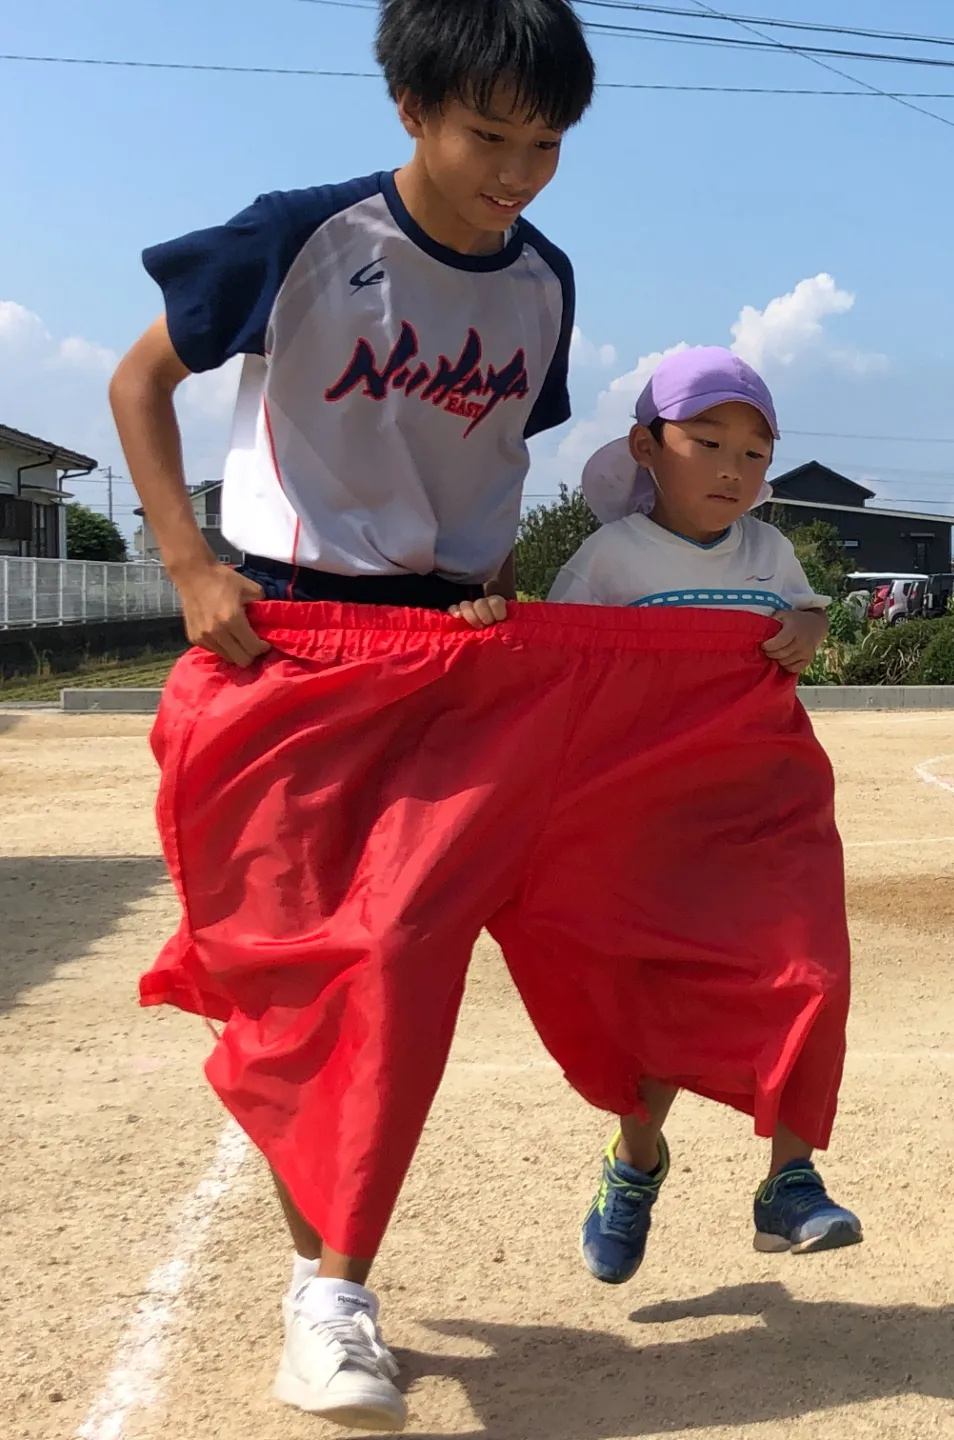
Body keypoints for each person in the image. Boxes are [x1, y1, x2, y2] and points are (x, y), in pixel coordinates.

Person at [109, 1, 594, 1427]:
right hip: (293, 640)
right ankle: (322, 1272)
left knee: (395, 961)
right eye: (486, 135)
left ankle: (335, 1289)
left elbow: (489, 456)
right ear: (408, 108)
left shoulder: (546, 280)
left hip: (451, 651)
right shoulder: (307, 236)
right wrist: (187, 563)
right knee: (291, 975)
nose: (516, 173)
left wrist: (500, 597)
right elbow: (141, 382)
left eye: (548, 144)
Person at [547, 348, 862, 1285]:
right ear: (648, 446)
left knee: (814, 977)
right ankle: (635, 1165)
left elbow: (803, 616)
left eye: (756, 455)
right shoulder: (608, 559)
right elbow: (559, 675)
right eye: (709, 442)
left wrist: (810, 625)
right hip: (654, 829)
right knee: (665, 1012)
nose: (735, 469)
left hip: (771, 811)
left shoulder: (770, 551)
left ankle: (790, 1182)